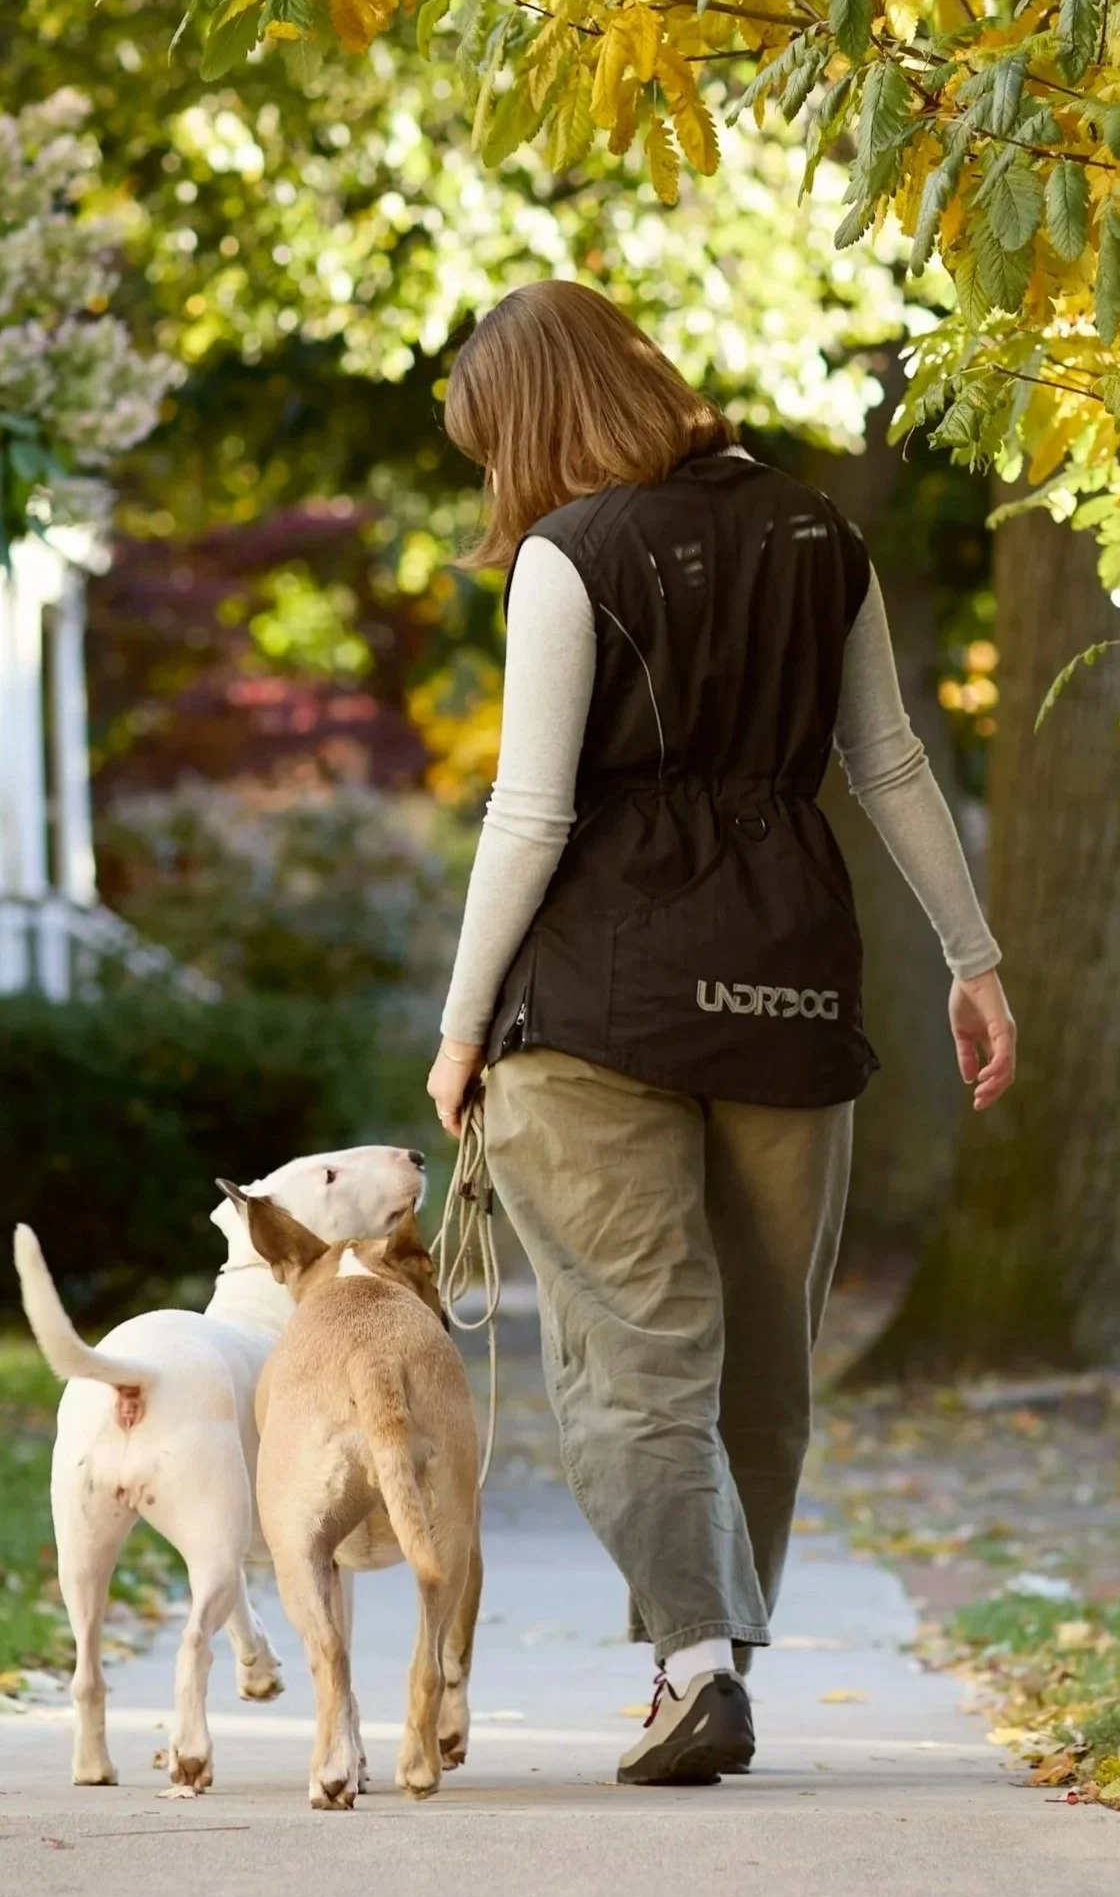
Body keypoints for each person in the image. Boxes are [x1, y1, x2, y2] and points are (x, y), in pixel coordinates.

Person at [426, 280, 1016, 1786]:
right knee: (761, 1355)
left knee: (637, 1350)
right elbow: (887, 764)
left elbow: (533, 809)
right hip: (791, 979)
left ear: (537, 421)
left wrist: (459, 1023)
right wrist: (974, 957)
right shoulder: (826, 534)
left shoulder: (571, 555)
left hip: (595, 1005)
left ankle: (695, 1666)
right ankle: (714, 1671)